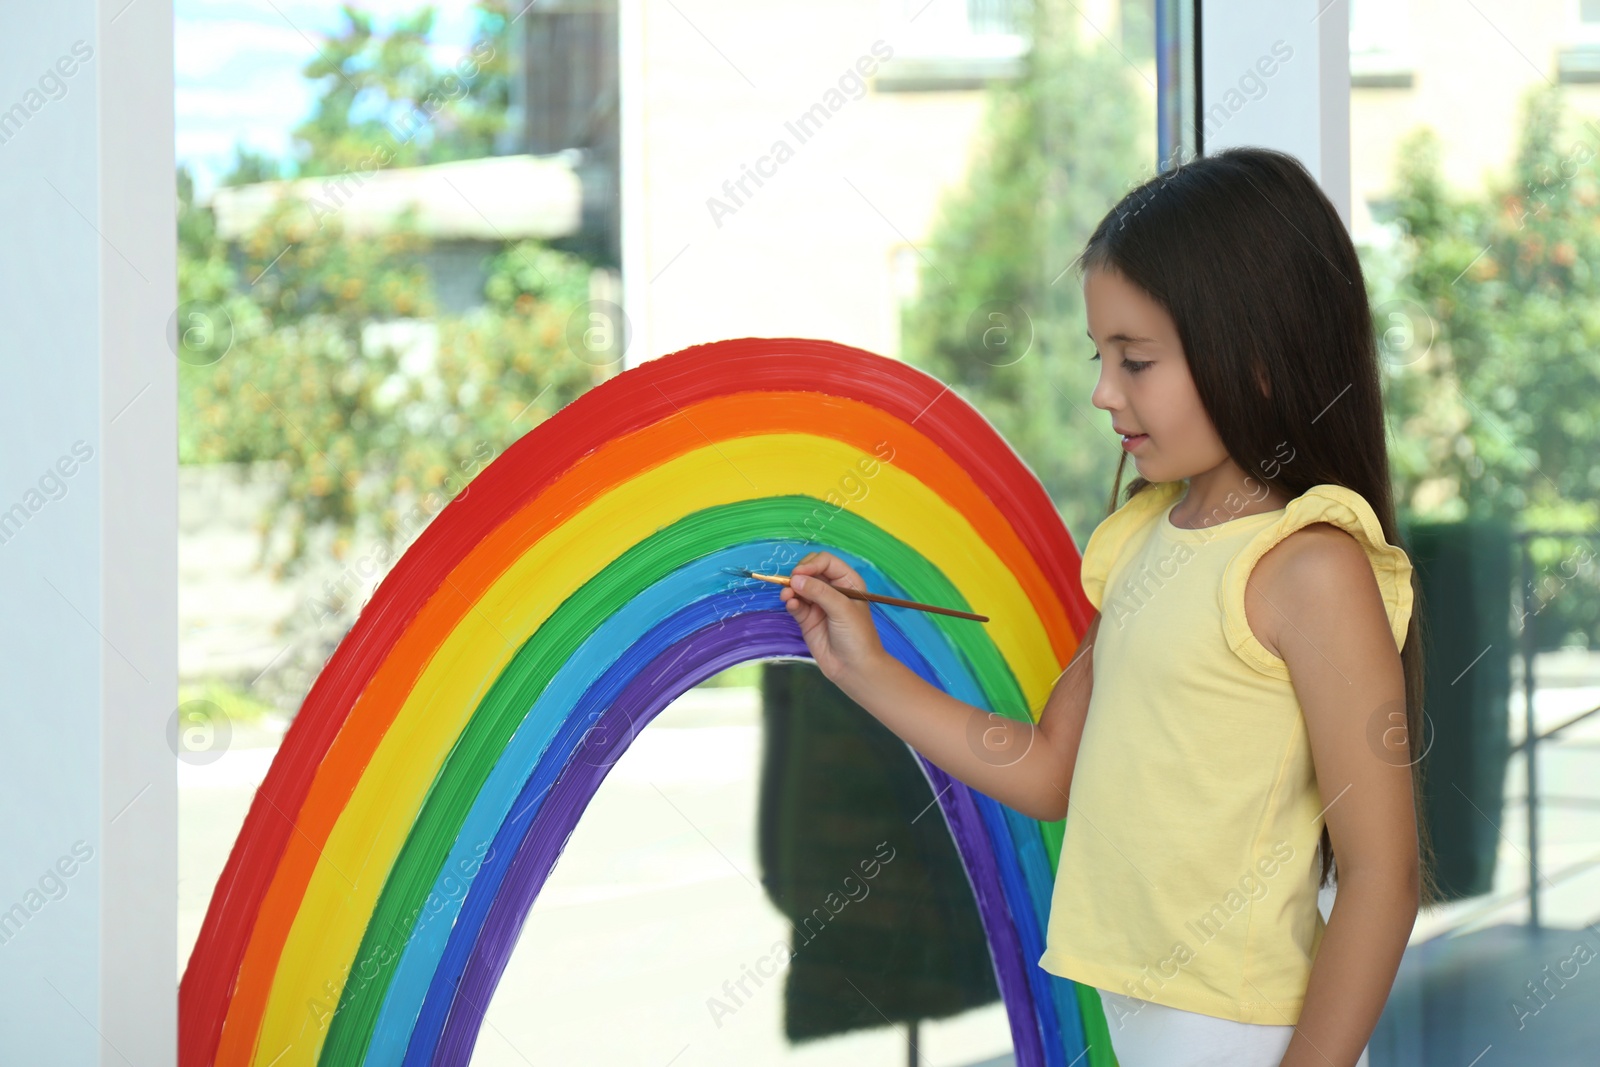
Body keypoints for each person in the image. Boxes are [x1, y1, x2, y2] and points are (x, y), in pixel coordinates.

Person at [777, 146, 1441, 1067]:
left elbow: (1381, 877)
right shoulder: (1143, 542)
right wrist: (865, 668)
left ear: (1252, 359)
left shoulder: (1311, 569)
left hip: (1254, 1040)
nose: (1102, 391)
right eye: (1103, 357)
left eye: (1135, 361)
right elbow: (1051, 767)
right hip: (1138, 1025)